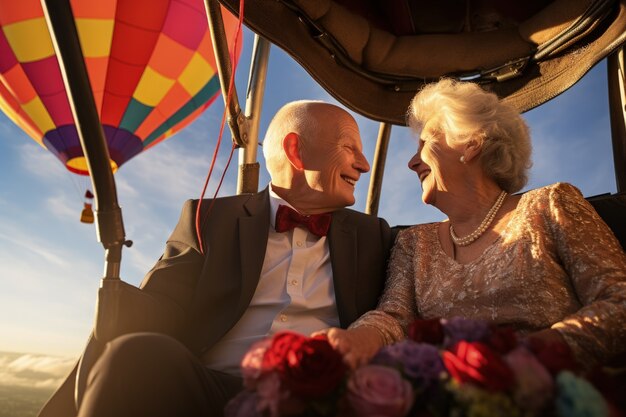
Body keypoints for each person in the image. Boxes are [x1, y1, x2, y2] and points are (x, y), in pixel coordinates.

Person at [39, 101, 393, 417]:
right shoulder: (207, 217)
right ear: (295, 150)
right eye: (349, 147)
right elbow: (164, 303)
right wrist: (118, 305)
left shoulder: (374, 234)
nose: (363, 164)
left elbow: (443, 241)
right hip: (210, 390)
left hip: (315, 397)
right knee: (137, 354)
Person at [322, 78, 626, 370]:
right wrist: (356, 340)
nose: (412, 163)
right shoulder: (414, 243)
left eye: (425, 144)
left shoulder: (551, 204)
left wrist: (531, 354)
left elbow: (619, 301)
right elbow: (394, 319)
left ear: (471, 144)